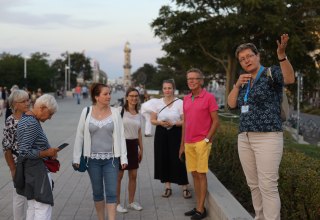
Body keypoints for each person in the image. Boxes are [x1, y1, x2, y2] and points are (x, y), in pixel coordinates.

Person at [227, 34, 295, 220]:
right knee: (253, 184)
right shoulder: (244, 80)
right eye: (242, 59)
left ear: (258, 56)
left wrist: (281, 55)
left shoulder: (271, 73)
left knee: (268, 185)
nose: (246, 60)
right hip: (245, 137)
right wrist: (237, 85)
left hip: (268, 137)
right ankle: (259, 216)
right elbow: (232, 104)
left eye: (249, 56)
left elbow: (289, 79)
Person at [73, 83, 128, 220]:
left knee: (111, 193)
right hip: (92, 160)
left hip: (111, 160)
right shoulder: (86, 112)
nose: (109, 96)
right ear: (96, 97)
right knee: (97, 192)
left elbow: (121, 137)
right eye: (105, 94)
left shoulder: (115, 113)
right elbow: (79, 136)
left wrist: (124, 159)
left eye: (109, 93)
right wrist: (76, 158)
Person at [180, 69, 219, 220]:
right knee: (194, 174)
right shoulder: (186, 99)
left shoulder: (209, 98)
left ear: (201, 81)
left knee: (201, 175)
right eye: (189, 79)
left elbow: (216, 121)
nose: (191, 81)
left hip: (202, 142)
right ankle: (198, 206)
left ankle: (201, 209)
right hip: (188, 142)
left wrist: (207, 140)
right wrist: (182, 144)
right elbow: (185, 123)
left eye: (195, 79)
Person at [16, 94, 60, 220]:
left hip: (30, 170)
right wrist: (47, 153)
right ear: (42, 107)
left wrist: (48, 152)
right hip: (37, 171)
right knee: (43, 206)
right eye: (50, 114)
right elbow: (24, 151)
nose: (50, 118)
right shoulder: (32, 123)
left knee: (33, 206)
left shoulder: (26, 118)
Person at [150, 79, 191, 199]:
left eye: (169, 88)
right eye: (165, 88)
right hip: (161, 132)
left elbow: (185, 121)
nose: (167, 90)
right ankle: (167, 187)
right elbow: (152, 120)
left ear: (174, 89)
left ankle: (184, 186)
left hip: (176, 133)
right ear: (162, 90)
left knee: (178, 159)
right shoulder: (157, 103)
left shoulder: (180, 103)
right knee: (163, 158)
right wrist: (160, 122)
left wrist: (173, 123)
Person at [2, 90, 30, 220]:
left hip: (33, 162)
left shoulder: (31, 117)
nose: (27, 103)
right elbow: (6, 147)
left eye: (28, 100)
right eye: (23, 101)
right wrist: (13, 169)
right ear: (15, 104)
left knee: (32, 196)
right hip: (18, 163)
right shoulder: (10, 121)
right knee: (19, 196)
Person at [116, 87, 143, 213]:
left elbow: (139, 132)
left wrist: (141, 149)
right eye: (131, 96)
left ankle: (131, 202)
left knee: (133, 175)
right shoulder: (119, 111)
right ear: (126, 97)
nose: (134, 98)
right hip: (122, 145)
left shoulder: (139, 114)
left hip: (133, 145)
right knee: (119, 176)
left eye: (136, 96)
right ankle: (117, 203)